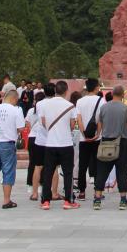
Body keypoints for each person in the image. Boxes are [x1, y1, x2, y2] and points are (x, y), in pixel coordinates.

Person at [40, 80, 80, 210]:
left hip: (50, 143)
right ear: (66, 91)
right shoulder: (70, 106)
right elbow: (72, 125)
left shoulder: (45, 105)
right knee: (68, 173)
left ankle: (46, 201)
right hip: (66, 143)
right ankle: (68, 201)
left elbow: (43, 122)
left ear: (55, 90)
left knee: (48, 173)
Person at [93, 85, 127, 211]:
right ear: (123, 95)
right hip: (122, 141)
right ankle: (122, 200)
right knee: (121, 171)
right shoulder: (126, 108)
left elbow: (100, 123)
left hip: (106, 142)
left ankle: (97, 199)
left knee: (102, 171)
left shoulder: (104, 107)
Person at [0, 89, 25, 209]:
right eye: (16, 100)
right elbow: (21, 128)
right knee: (8, 171)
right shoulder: (15, 110)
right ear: (13, 98)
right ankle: (6, 200)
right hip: (7, 143)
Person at [76, 78, 105, 199]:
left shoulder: (80, 101)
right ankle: (97, 191)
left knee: (82, 165)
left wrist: (84, 135)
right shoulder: (101, 101)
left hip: (84, 139)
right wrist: (97, 134)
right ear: (96, 87)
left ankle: (82, 192)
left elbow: (79, 119)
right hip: (96, 139)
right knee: (98, 164)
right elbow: (100, 120)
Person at [25, 91, 44, 193]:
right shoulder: (45, 110)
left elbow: (27, 123)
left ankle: (30, 184)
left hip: (32, 137)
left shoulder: (31, 111)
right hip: (41, 139)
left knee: (32, 162)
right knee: (42, 163)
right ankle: (41, 183)